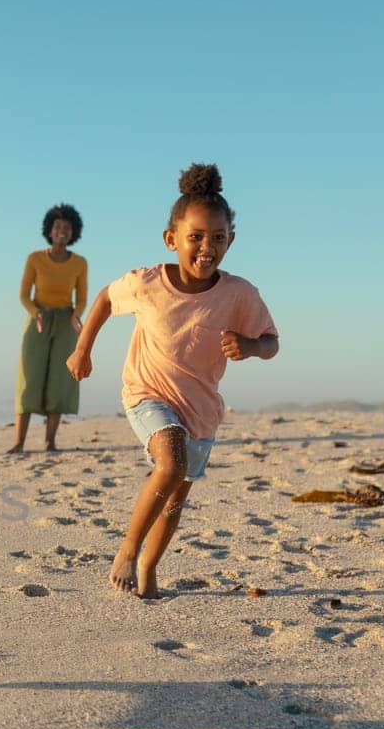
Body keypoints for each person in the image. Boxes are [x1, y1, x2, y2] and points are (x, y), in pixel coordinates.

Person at [67, 164, 278, 599]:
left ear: (230, 241)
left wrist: (250, 346)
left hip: (201, 410)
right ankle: (126, 550)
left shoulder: (239, 294)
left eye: (217, 238)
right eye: (196, 237)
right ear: (172, 239)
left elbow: (272, 341)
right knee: (172, 464)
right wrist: (83, 348)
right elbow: (106, 297)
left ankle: (148, 569)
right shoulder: (149, 284)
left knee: (177, 497)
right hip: (148, 394)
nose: (207, 247)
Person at [10, 203, 87, 453]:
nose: (61, 231)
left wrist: (76, 316)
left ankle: (50, 441)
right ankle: (18, 443)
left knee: (59, 381)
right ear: (49, 230)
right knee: (29, 379)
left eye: (66, 227)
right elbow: (24, 295)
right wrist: (36, 313)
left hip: (66, 323)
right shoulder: (35, 258)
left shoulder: (79, 263)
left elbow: (82, 297)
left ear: (73, 232)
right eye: (57, 226)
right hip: (39, 320)